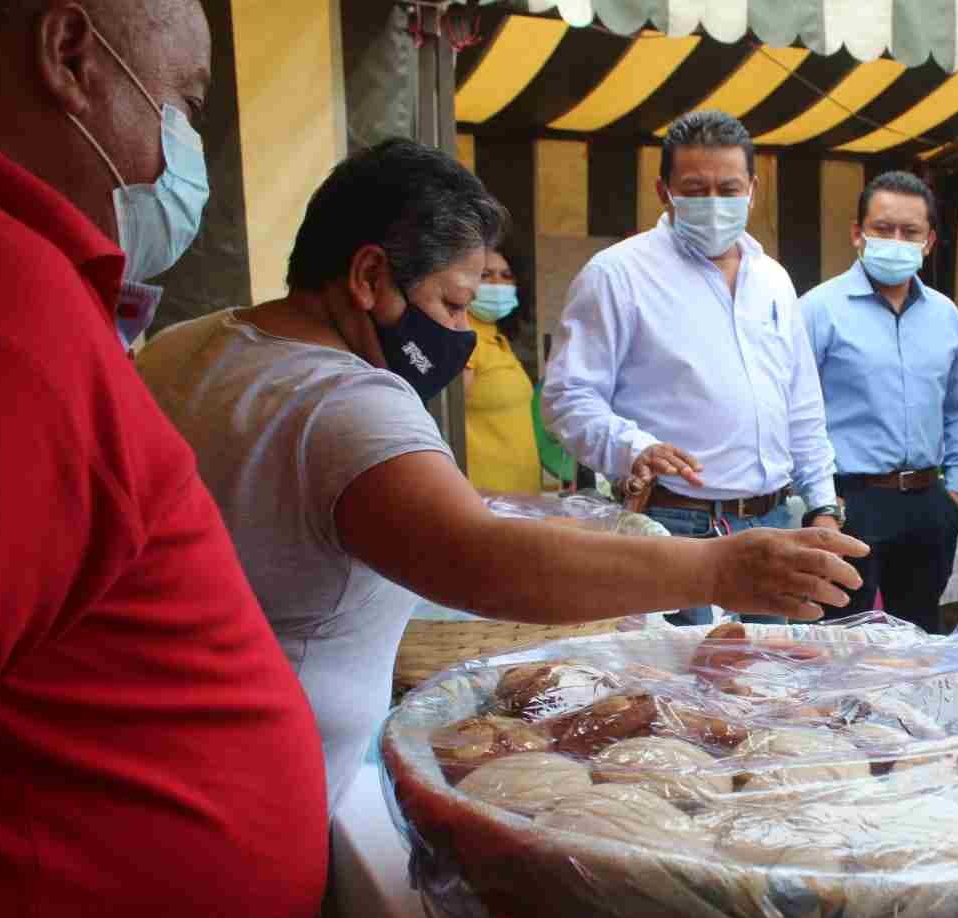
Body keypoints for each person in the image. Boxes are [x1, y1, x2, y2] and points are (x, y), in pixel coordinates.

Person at [140, 136, 866, 816]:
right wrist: (715, 568)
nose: (460, 331)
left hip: (170, 746)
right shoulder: (346, 400)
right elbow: (480, 560)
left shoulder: (186, 344)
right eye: (452, 302)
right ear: (367, 277)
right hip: (255, 784)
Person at [0, 2, 328, 918]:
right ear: (70, 53)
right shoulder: (6, 310)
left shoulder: (46, 289)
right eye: (183, 100)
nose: (187, 146)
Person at [542, 110, 841, 622]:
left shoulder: (773, 280)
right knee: (685, 689)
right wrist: (634, 448)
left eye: (728, 188)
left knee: (766, 687)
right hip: (673, 525)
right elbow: (568, 398)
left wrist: (823, 504)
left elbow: (801, 405)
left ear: (753, 188)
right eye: (695, 189)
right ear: (664, 192)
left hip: (772, 522)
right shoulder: (618, 275)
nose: (714, 204)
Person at [799, 171, 958, 633]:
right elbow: (792, 409)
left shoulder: (945, 315)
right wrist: (821, 501)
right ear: (858, 233)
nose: (896, 240)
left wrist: (952, 492)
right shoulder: (819, 310)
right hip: (849, 502)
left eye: (910, 232)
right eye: (883, 229)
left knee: (919, 640)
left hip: (927, 502)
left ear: (929, 242)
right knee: (840, 642)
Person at [464, 244, 542, 494]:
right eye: (485, 275)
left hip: (519, 497)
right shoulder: (464, 339)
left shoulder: (497, 338)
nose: (498, 283)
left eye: (506, 275)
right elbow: (444, 423)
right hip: (482, 500)